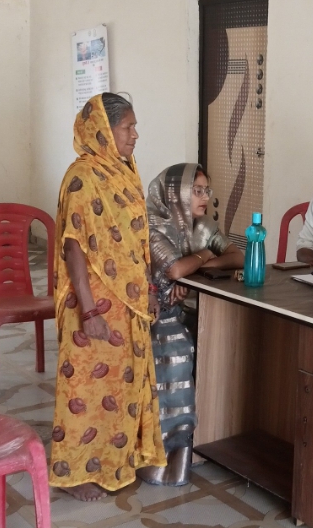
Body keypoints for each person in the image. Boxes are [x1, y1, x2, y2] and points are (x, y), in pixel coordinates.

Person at [50, 93, 164, 502]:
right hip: (94, 304)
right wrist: (88, 311)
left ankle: (115, 461)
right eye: (127, 127)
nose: (135, 135)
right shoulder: (82, 177)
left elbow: (135, 241)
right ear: (103, 130)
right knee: (85, 390)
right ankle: (75, 473)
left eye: (134, 126)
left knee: (122, 388)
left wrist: (148, 289)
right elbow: (74, 246)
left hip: (128, 302)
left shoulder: (124, 171)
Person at [138, 163, 244, 486]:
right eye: (197, 190)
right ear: (175, 194)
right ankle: (160, 458)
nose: (205, 197)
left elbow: (237, 256)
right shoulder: (153, 226)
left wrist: (196, 264)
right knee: (176, 349)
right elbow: (173, 271)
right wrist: (200, 259)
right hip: (148, 316)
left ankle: (202, 439)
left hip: (180, 311)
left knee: (220, 338)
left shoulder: (201, 226)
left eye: (206, 190)